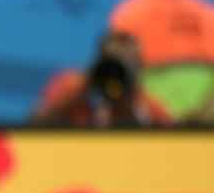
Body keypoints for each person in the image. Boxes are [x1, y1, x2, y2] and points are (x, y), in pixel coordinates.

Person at [109, 0, 214, 121]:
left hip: (151, 100)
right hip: (206, 99)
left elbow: (116, 70)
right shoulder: (206, 11)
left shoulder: (128, 12)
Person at [32, 32, 172, 127]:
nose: (118, 71)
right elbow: (36, 123)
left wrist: (129, 105)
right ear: (100, 61)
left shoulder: (147, 107)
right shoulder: (73, 87)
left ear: (139, 68)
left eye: (129, 62)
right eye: (114, 60)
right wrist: (80, 89)